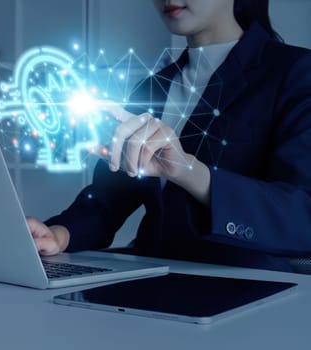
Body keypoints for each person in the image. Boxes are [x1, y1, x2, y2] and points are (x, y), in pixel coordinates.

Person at [26, 0, 311, 272]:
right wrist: (59, 234)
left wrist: (188, 171)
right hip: (149, 282)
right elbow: (108, 198)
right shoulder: (152, 88)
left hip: (247, 292)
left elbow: (301, 215)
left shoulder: (296, 73)